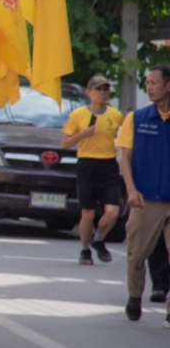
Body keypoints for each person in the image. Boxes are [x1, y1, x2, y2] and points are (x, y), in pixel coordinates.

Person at [117, 66, 170, 323]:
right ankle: (135, 295)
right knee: (137, 253)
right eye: (147, 83)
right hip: (145, 198)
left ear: (168, 86)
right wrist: (131, 189)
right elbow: (125, 158)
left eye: (154, 83)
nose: (149, 87)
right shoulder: (135, 119)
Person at [62, 76, 124, 265]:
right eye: (98, 89)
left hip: (109, 165)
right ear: (89, 92)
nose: (102, 93)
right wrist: (81, 135)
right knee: (87, 213)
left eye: (105, 89)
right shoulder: (78, 114)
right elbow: (64, 143)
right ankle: (84, 249)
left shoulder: (116, 115)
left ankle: (98, 239)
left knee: (113, 211)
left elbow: (122, 140)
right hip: (87, 164)